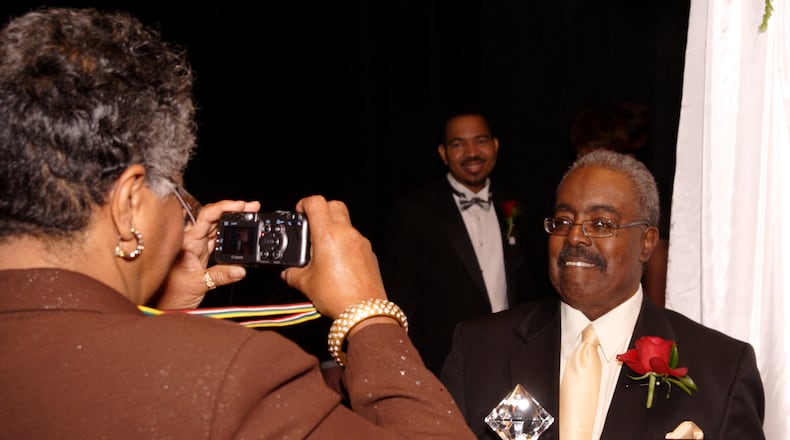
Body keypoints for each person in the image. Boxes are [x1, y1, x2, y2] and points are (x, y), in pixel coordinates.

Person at [0, 8, 475, 439]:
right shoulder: (228, 374)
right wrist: (368, 315)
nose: (185, 227)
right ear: (127, 206)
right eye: (182, 203)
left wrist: (162, 310)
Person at [440, 150, 765, 439]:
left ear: (647, 243)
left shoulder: (720, 370)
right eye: (564, 220)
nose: (575, 236)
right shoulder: (479, 350)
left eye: (600, 223)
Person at [378, 108, 548, 376]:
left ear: (495, 146)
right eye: (458, 144)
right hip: (443, 364)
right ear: (443, 154)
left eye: (480, 141)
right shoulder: (413, 213)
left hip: (513, 358)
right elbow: (399, 298)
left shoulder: (517, 208)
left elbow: (533, 287)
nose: (472, 153)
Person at [569, 101, 669, 307]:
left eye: (588, 155)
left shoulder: (643, 204)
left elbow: (657, 304)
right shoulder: (575, 196)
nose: (581, 164)